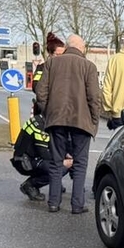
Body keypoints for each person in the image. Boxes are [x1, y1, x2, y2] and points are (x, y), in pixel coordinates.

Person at [35, 34, 102, 214]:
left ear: (67, 46)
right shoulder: (89, 66)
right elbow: (94, 98)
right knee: (80, 163)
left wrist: (47, 112)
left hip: (56, 119)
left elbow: (41, 93)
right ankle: (77, 204)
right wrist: (94, 120)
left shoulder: (51, 63)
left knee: (56, 162)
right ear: (82, 48)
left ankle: (54, 202)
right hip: (81, 120)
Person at [20, 34, 66, 201]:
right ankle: (35, 183)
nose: (62, 58)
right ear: (50, 54)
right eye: (59, 55)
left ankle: (56, 179)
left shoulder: (65, 69)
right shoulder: (42, 68)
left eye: (64, 54)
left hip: (61, 116)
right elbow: (37, 87)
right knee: (47, 152)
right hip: (45, 117)